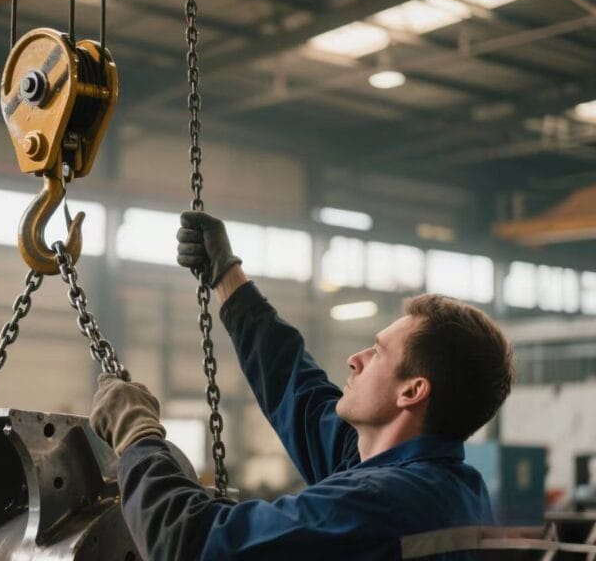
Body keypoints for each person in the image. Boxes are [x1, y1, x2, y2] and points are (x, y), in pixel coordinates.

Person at [88, 211, 515, 560]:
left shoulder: (388, 502)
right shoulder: (439, 481)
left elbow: (194, 544)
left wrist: (137, 435)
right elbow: (299, 393)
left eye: (378, 352)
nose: (356, 359)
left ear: (412, 391)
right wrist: (227, 278)